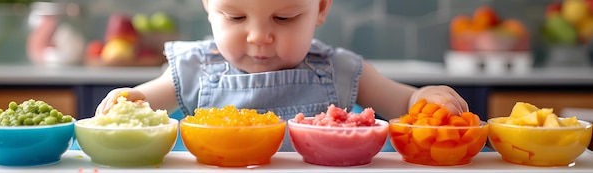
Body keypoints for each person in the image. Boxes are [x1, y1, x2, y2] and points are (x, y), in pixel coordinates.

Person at [95, 0, 469, 151]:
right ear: (208, 5)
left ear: (320, 8)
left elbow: (401, 101)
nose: (259, 36)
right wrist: (130, 97)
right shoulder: (195, 67)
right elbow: (145, 99)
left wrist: (423, 98)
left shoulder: (337, 69)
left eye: (284, 17)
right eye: (236, 17)